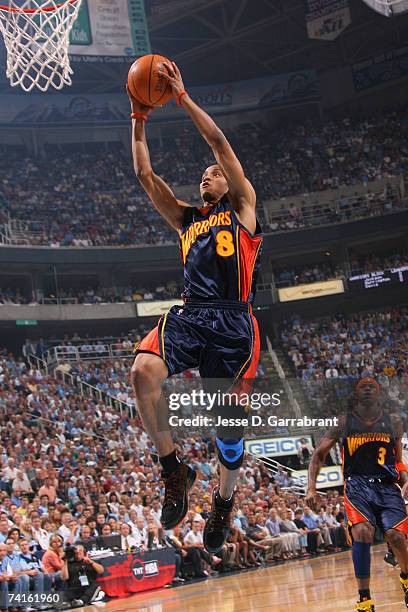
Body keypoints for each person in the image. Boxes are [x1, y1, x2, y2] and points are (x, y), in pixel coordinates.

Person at [128, 60, 263, 555]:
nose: (207, 176)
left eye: (214, 175)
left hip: (233, 321)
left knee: (228, 429)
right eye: (204, 176)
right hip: (192, 314)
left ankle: (224, 503)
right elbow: (145, 174)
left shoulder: (243, 208)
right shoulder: (187, 221)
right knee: (143, 370)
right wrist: (139, 115)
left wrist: (181, 98)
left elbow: (220, 146)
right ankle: (173, 471)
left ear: (229, 183)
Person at [306, 377, 408, 611]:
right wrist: (311, 487)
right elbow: (318, 455)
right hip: (357, 485)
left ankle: (406, 578)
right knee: (362, 532)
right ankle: (364, 600)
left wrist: (406, 478)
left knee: (396, 538)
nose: (369, 389)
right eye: (364, 386)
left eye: (373, 386)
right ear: (357, 392)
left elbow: (398, 462)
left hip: (386, 485)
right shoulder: (344, 422)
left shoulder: (393, 422)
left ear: (379, 392)